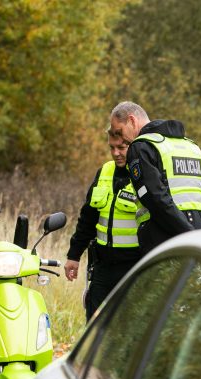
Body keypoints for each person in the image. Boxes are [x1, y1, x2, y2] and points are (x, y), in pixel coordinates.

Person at [109, 101, 201, 254]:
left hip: (163, 242)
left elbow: (156, 198)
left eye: (119, 132)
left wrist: (188, 234)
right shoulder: (191, 147)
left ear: (132, 121)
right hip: (199, 242)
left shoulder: (140, 147)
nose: (122, 140)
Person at [64, 120, 142, 320]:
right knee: (95, 328)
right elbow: (88, 218)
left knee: (126, 329)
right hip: (102, 268)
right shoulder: (105, 171)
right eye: (112, 148)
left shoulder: (144, 175)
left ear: (133, 145)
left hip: (133, 269)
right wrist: (74, 255)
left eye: (121, 148)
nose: (116, 153)